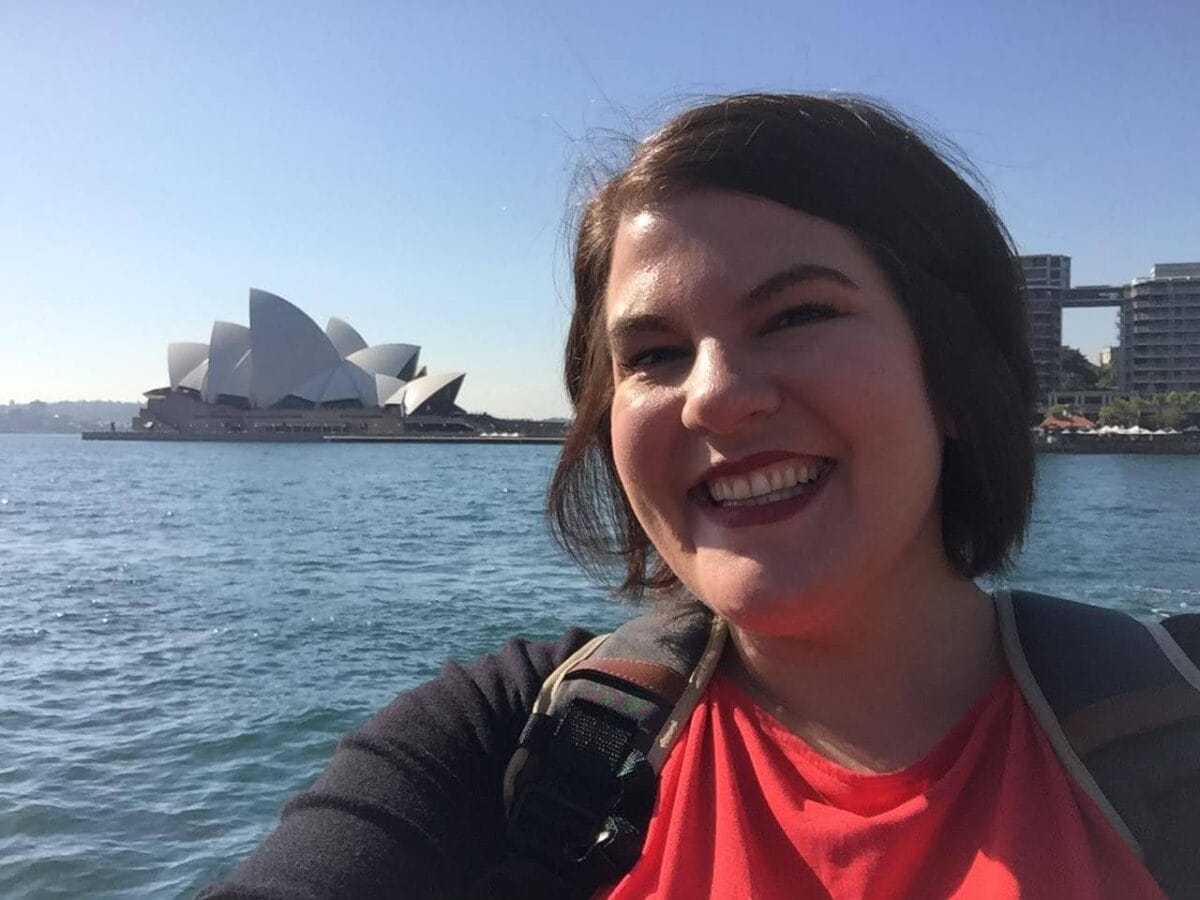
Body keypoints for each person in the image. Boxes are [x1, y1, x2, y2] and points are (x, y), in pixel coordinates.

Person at [203, 94, 1194, 899]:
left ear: (956, 374)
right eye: (655, 354)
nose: (713, 396)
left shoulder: (1173, 725)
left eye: (800, 313)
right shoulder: (512, 742)